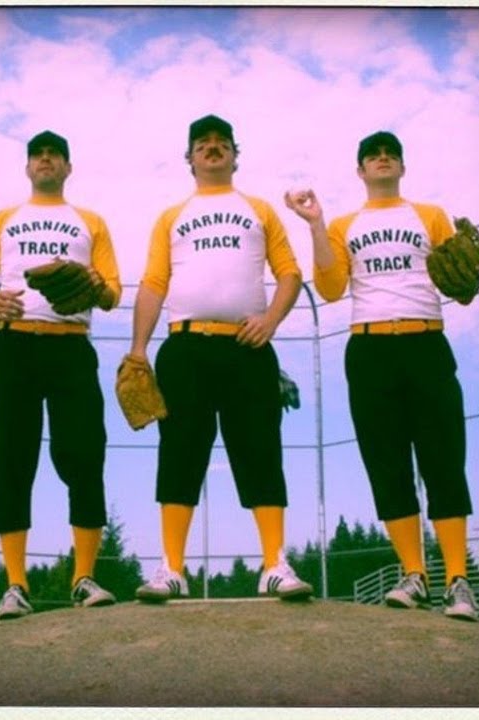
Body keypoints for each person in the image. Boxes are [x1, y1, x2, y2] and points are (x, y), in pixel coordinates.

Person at [283, 130, 479, 620]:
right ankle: (415, 574)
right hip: (369, 348)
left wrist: (468, 276)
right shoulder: (344, 224)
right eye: (373, 155)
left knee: (444, 460)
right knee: (387, 465)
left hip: (425, 340)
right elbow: (331, 287)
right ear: (361, 171)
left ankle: (458, 580)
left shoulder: (430, 215)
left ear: (402, 167)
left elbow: (459, 282)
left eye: (391, 153)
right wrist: (316, 224)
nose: (383, 158)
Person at [128, 114, 312, 603]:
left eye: (221, 142)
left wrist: (271, 320)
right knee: (179, 453)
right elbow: (154, 283)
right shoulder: (171, 216)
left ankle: (274, 564)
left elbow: (290, 274)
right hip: (184, 345)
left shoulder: (259, 209)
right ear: (189, 158)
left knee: (261, 451)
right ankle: (172, 569)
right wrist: (138, 348)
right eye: (202, 143)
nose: (212, 148)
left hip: (248, 345)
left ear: (235, 154)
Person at [0, 130, 123, 619]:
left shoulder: (90, 222)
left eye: (54, 154)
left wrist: (94, 283)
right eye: (37, 154)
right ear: (28, 167)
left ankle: (83, 577)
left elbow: (112, 294)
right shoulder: (3, 220)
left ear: (68, 167)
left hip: (71, 345)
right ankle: (16, 584)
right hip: (13, 344)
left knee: (85, 454)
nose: (46, 159)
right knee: (12, 457)